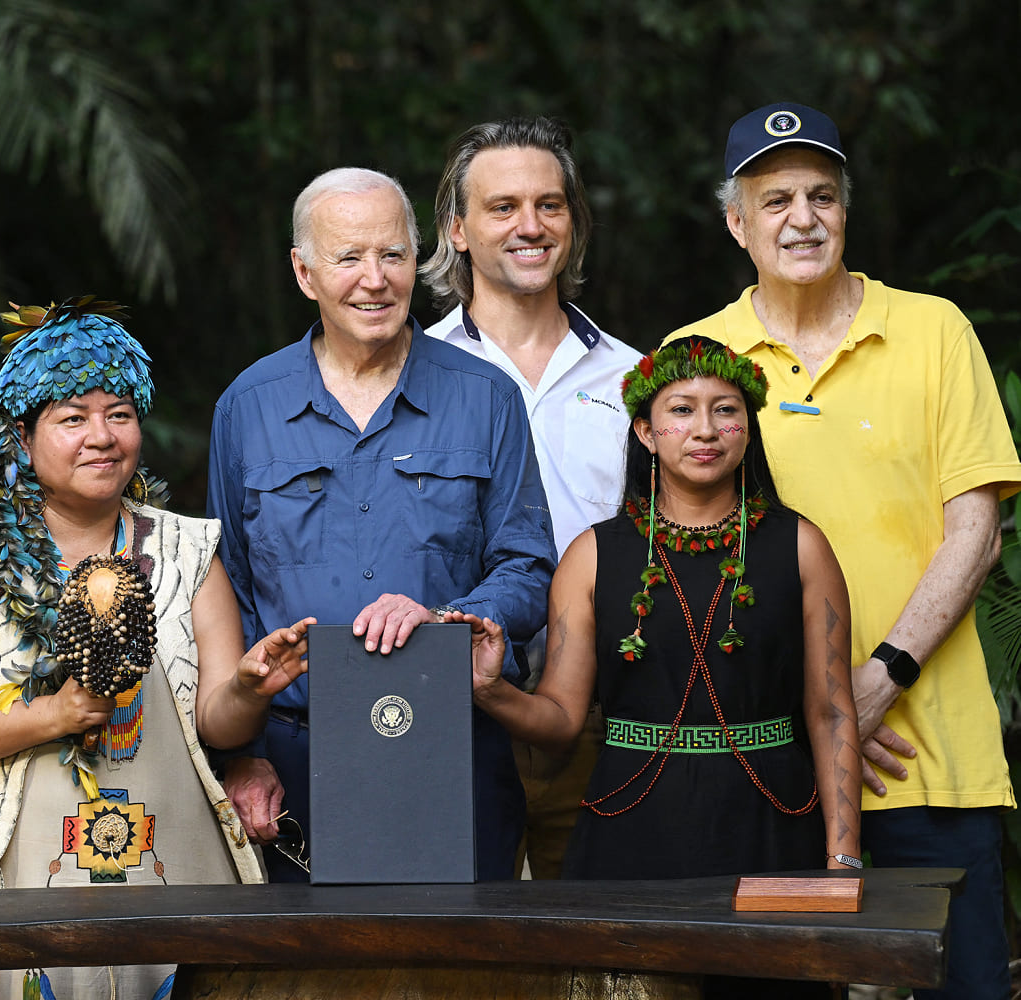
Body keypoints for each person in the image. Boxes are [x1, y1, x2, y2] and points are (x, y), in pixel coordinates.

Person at [667, 102, 1021, 1000]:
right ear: (736, 222)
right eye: (775, 197)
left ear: (846, 211)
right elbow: (675, 569)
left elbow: (974, 531)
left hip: (929, 759)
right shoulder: (694, 358)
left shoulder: (934, 331)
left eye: (822, 195)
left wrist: (876, 683)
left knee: (967, 987)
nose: (803, 218)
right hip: (764, 764)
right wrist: (818, 717)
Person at [0, 299, 310, 999]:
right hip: (10, 872)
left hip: (169, 862)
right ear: (22, 440)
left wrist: (247, 688)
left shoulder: (185, 550)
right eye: (72, 417)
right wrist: (52, 715)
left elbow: (218, 724)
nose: (102, 436)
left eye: (119, 413)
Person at [463, 337, 861, 998]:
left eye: (726, 410)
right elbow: (560, 720)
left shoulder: (800, 545)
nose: (705, 430)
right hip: (631, 830)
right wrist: (490, 688)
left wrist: (842, 857)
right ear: (645, 430)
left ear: (748, 425)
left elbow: (831, 708)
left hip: (772, 826)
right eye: (682, 410)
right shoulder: (592, 557)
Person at [206, 167, 556, 882]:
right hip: (296, 765)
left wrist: (449, 616)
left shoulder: (485, 396)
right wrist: (240, 758)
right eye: (349, 258)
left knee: (465, 978)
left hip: (453, 744)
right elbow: (226, 590)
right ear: (305, 274)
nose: (376, 278)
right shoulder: (249, 405)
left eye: (392, 255)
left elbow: (527, 567)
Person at [422, 115, 641, 879]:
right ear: (457, 227)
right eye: (503, 206)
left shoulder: (635, 379)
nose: (530, 225)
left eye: (550, 205)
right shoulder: (413, 375)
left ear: (574, 223)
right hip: (445, 708)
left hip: (605, 718)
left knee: (600, 951)